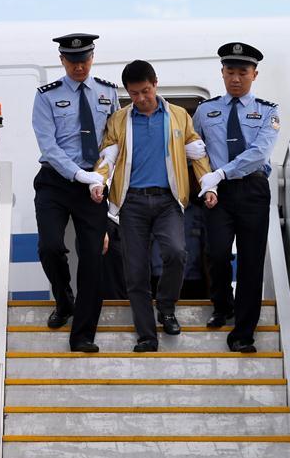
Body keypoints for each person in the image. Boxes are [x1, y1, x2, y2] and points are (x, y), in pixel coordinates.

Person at [92, 60, 217, 352]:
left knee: (176, 252)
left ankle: (166, 307)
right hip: (131, 203)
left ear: (155, 84)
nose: (141, 98)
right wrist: (98, 182)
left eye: (145, 91)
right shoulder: (119, 120)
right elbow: (107, 158)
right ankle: (147, 335)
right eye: (134, 93)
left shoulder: (179, 116)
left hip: (168, 200)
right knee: (136, 271)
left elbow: (197, 153)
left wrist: (208, 185)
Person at [31, 33, 119, 353]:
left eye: (84, 60)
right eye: (72, 61)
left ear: (92, 58)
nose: (79, 67)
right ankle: (64, 300)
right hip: (55, 181)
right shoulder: (46, 96)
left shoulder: (109, 93)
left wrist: (102, 177)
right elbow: (48, 145)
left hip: (94, 185)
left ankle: (82, 335)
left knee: (93, 259)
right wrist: (79, 174)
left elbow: (115, 139)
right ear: (62, 61)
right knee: (50, 247)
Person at [193, 42, 281, 353]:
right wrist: (208, 182)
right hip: (218, 192)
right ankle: (222, 305)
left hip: (252, 189)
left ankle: (244, 333)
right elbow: (196, 150)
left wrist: (222, 172)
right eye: (230, 71)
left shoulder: (268, 111)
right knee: (216, 252)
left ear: (254, 74)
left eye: (243, 72)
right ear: (222, 72)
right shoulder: (205, 111)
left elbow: (259, 153)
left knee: (251, 261)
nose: (235, 78)